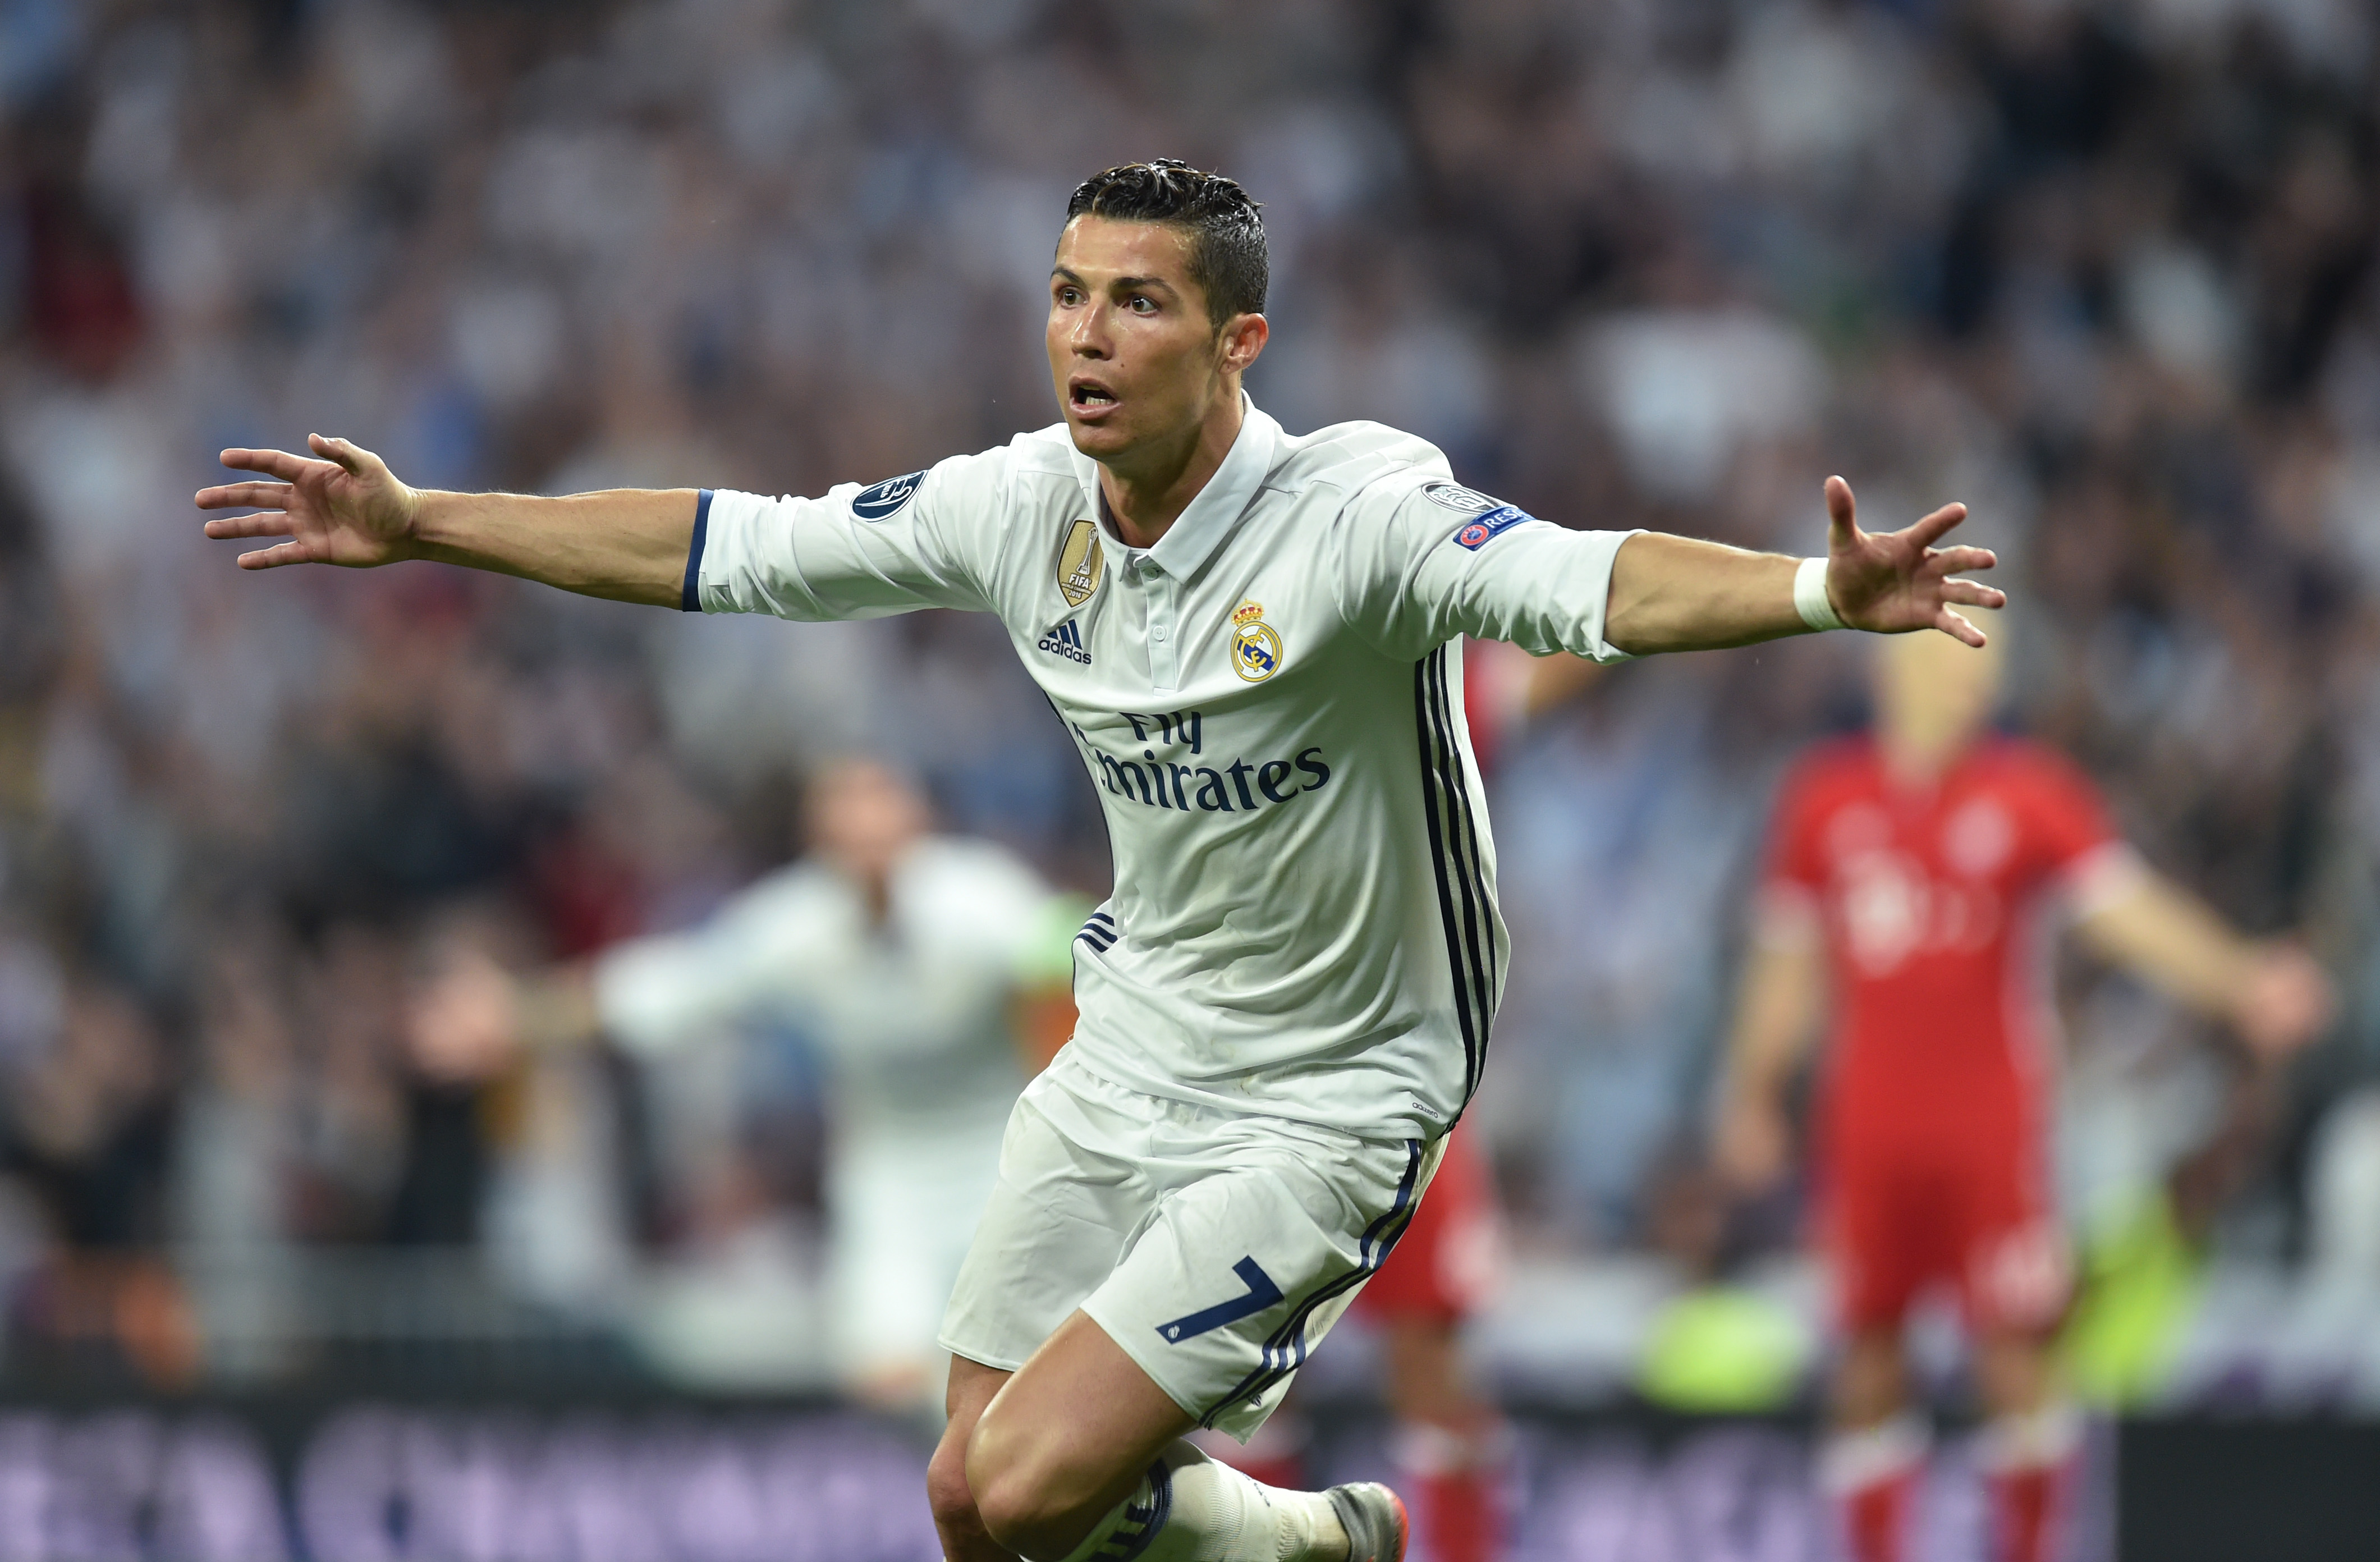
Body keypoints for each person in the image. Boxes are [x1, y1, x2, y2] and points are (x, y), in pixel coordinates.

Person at [199, 158, 2002, 1562]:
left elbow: (1587, 582)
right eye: (1066, 294)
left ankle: (1295, 1533)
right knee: (970, 1506)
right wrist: (430, 522)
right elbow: (730, 544)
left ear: (1238, 344)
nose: (1084, 332)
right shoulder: (1020, 508)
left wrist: (1808, 592)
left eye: (1138, 303)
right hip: (1134, 1045)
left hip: (1335, 1091)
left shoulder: (1357, 519)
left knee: (1045, 1471)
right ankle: (1305, 1536)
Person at [1712, 616, 2332, 1562]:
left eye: (1981, 670)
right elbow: (1784, 962)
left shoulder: (2030, 793)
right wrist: (1751, 1089)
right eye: (1949, 662)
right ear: (1894, 666)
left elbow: (2125, 911)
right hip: (1869, 1130)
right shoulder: (1822, 800)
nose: (1966, 686)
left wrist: (2239, 979)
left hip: (1989, 1130)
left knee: (2018, 1356)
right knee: (1869, 1356)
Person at [410, 756, 1077, 1413]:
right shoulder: (798, 924)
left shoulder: (974, 896)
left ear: (916, 822)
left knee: (1028, 1399)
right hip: (888, 1181)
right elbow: (672, 987)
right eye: (847, 819)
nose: (868, 836)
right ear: (821, 839)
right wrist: (524, 1016)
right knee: (893, 1387)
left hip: (1001, 1170)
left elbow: (1069, 944)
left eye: (881, 809)